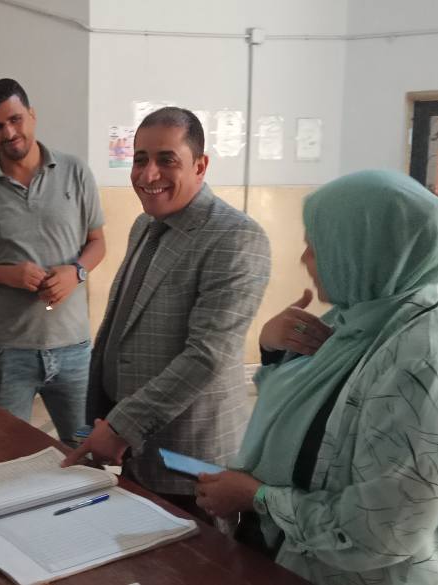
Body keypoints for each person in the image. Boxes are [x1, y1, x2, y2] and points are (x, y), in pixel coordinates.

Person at [194, 170, 438, 585]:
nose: (304, 259)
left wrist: (257, 497)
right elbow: (305, 414)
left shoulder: (426, 370)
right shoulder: (362, 319)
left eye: (316, 246)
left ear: (366, 253)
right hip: (293, 558)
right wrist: (273, 346)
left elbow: (379, 533)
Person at [63, 107, 271, 519]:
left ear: (200, 165)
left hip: (190, 461)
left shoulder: (235, 237)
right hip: (134, 451)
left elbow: (206, 357)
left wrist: (122, 426)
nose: (148, 174)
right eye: (140, 159)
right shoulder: (145, 225)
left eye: (166, 160)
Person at [0, 79, 106, 446]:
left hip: (73, 347)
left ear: (32, 115)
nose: (9, 133)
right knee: (7, 453)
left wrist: (76, 272)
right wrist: (7, 275)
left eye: (15, 119)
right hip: (5, 351)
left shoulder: (75, 171)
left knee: (85, 451)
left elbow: (97, 242)